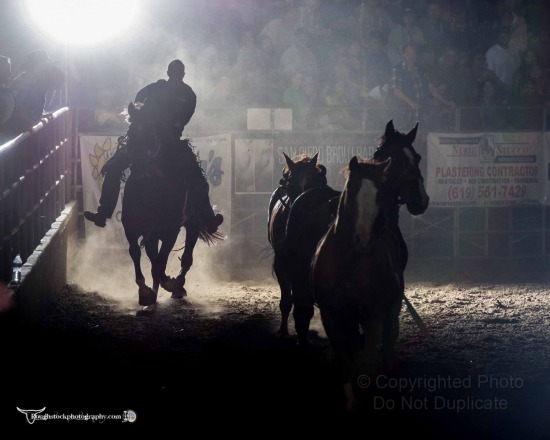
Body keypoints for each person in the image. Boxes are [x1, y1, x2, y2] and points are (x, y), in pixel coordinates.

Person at [84, 60, 223, 233]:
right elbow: (179, 117)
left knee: (114, 168)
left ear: (170, 72)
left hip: (163, 140)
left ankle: (103, 213)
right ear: (181, 74)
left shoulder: (165, 89)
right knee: (196, 177)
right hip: (162, 140)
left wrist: (147, 116)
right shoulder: (187, 94)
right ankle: (209, 219)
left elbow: (140, 99)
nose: (175, 75)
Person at [4, 49, 64, 133]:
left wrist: (39, 116)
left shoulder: (33, 81)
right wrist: (33, 121)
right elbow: (21, 107)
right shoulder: (26, 83)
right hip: (16, 129)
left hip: (18, 127)